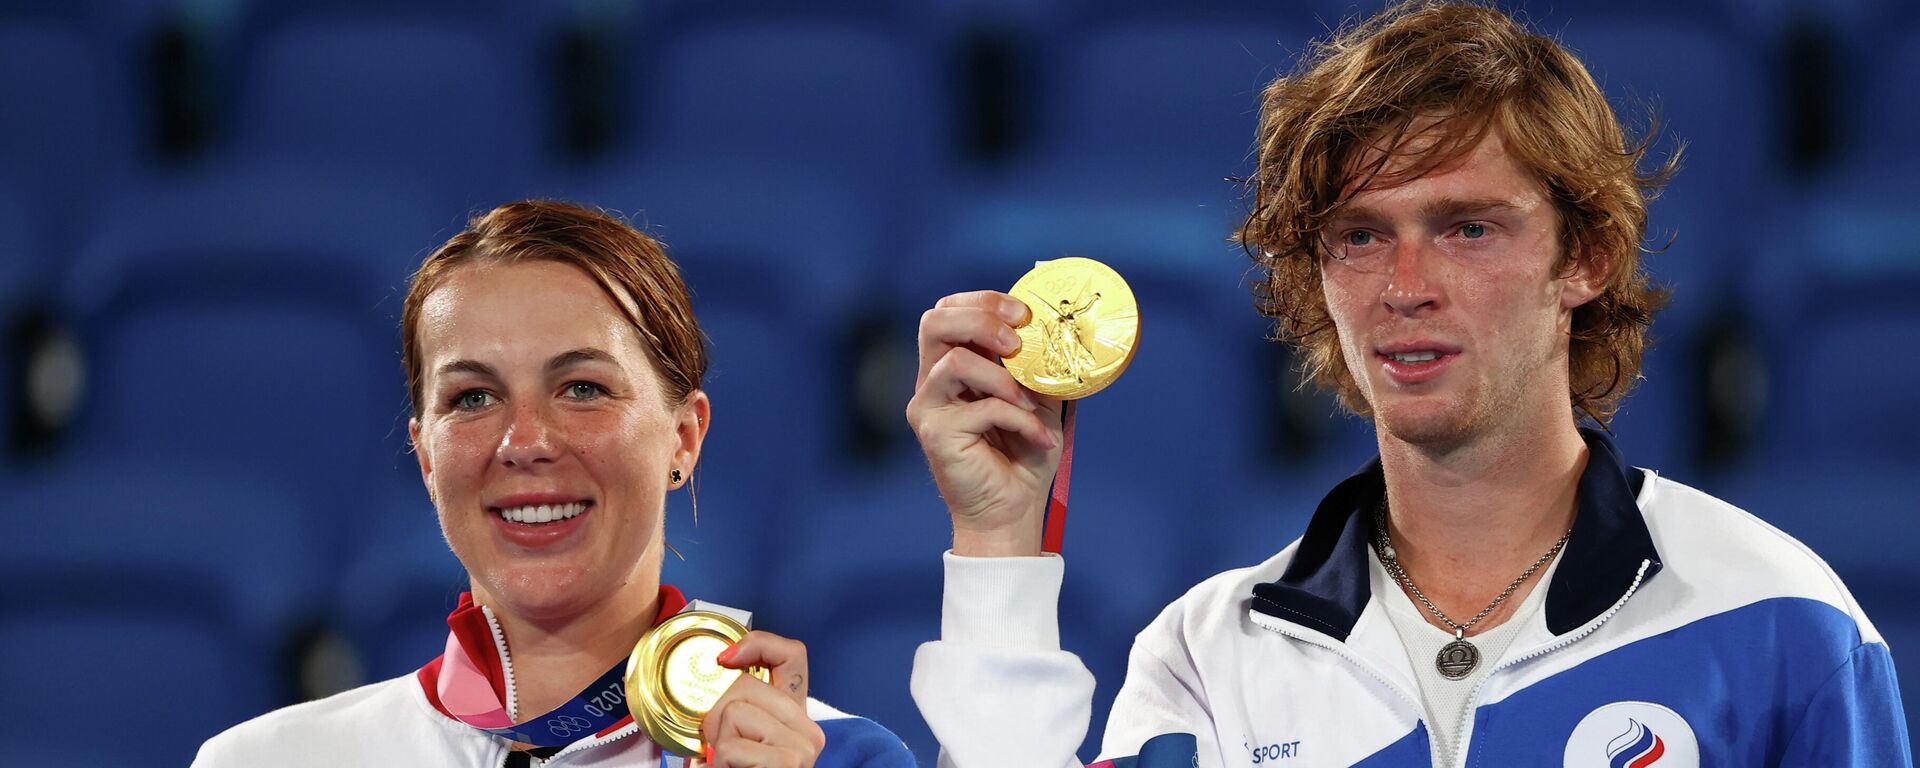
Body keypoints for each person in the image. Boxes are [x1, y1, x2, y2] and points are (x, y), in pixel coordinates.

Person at [905, 3, 1911, 766]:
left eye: (1469, 228)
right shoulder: (1211, 655)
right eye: (1359, 236)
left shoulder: (1775, 618)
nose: (1405, 287)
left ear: (1587, 258)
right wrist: (997, 544)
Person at [196, 201, 914, 767]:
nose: (525, 442)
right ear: (425, 457)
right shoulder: (268, 760)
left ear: (684, 437)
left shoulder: (830, 759)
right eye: (472, 398)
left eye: (582, 388)